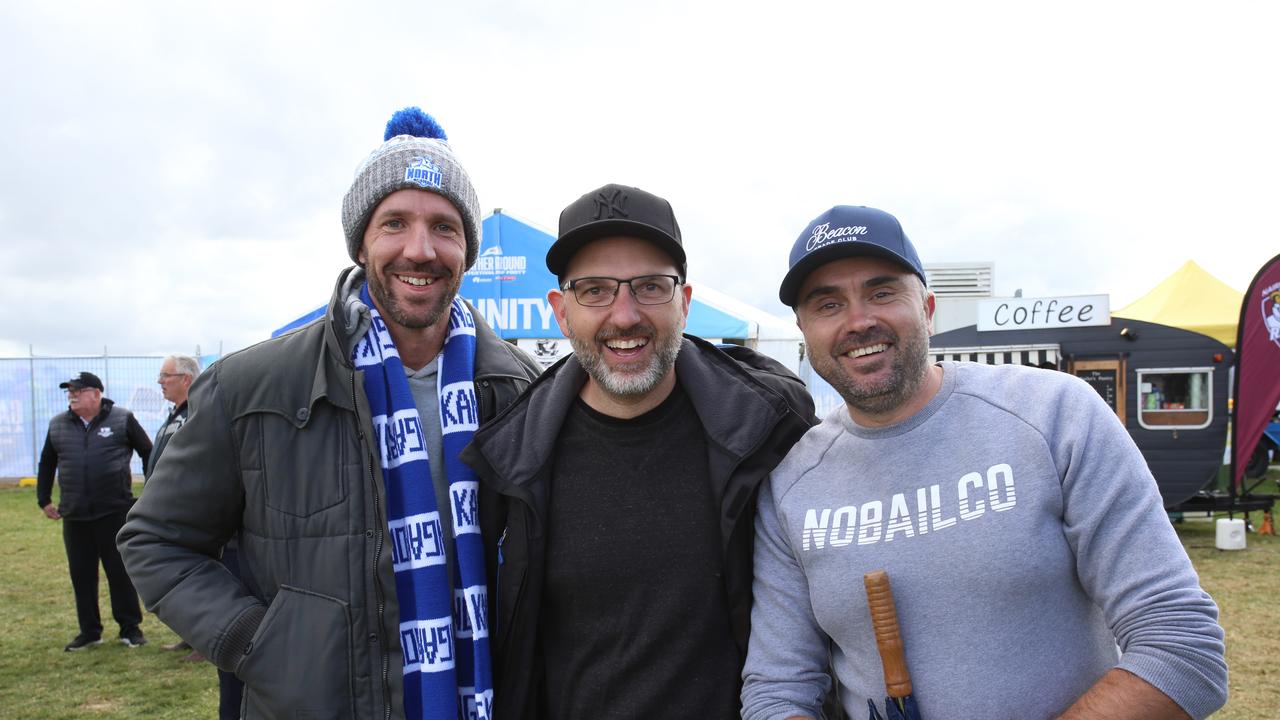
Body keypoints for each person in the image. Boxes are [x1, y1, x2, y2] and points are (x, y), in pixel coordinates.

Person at [119, 107, 541, 720]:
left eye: (444, 227)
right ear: (361, 240)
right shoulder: (250, 386)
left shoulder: (518, 388)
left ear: (467, 250)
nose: (419, 250)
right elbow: (156, 539)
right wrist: (257, 643)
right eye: (394, 222)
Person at [740, 206, 1229, 719]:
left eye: (882, 292)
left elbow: (1182, 648)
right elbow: (777, 690)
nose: (860, 321)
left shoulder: (1055, 415)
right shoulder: (794, 483)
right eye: (827, 304)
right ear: (804, 329)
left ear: (928, 308)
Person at [460, 183, 819, 719]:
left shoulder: (771, 430)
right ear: (561, 311)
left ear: (685, 303)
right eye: (595, 290)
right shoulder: (510, 459)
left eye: (650, 287)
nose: (624, 315)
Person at [37, 370, 152, 652]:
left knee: (119, 571)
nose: (72, 395)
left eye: (78, 390)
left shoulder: (122, 419)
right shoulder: (58, 425)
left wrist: (151, 490)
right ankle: (89, 631)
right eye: (69, 391)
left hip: (114, 512)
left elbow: (149, 452)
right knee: (81, 574)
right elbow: (46, 463)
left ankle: (130, 628)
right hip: (75, 515)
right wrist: (44, 499)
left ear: (96, 394)